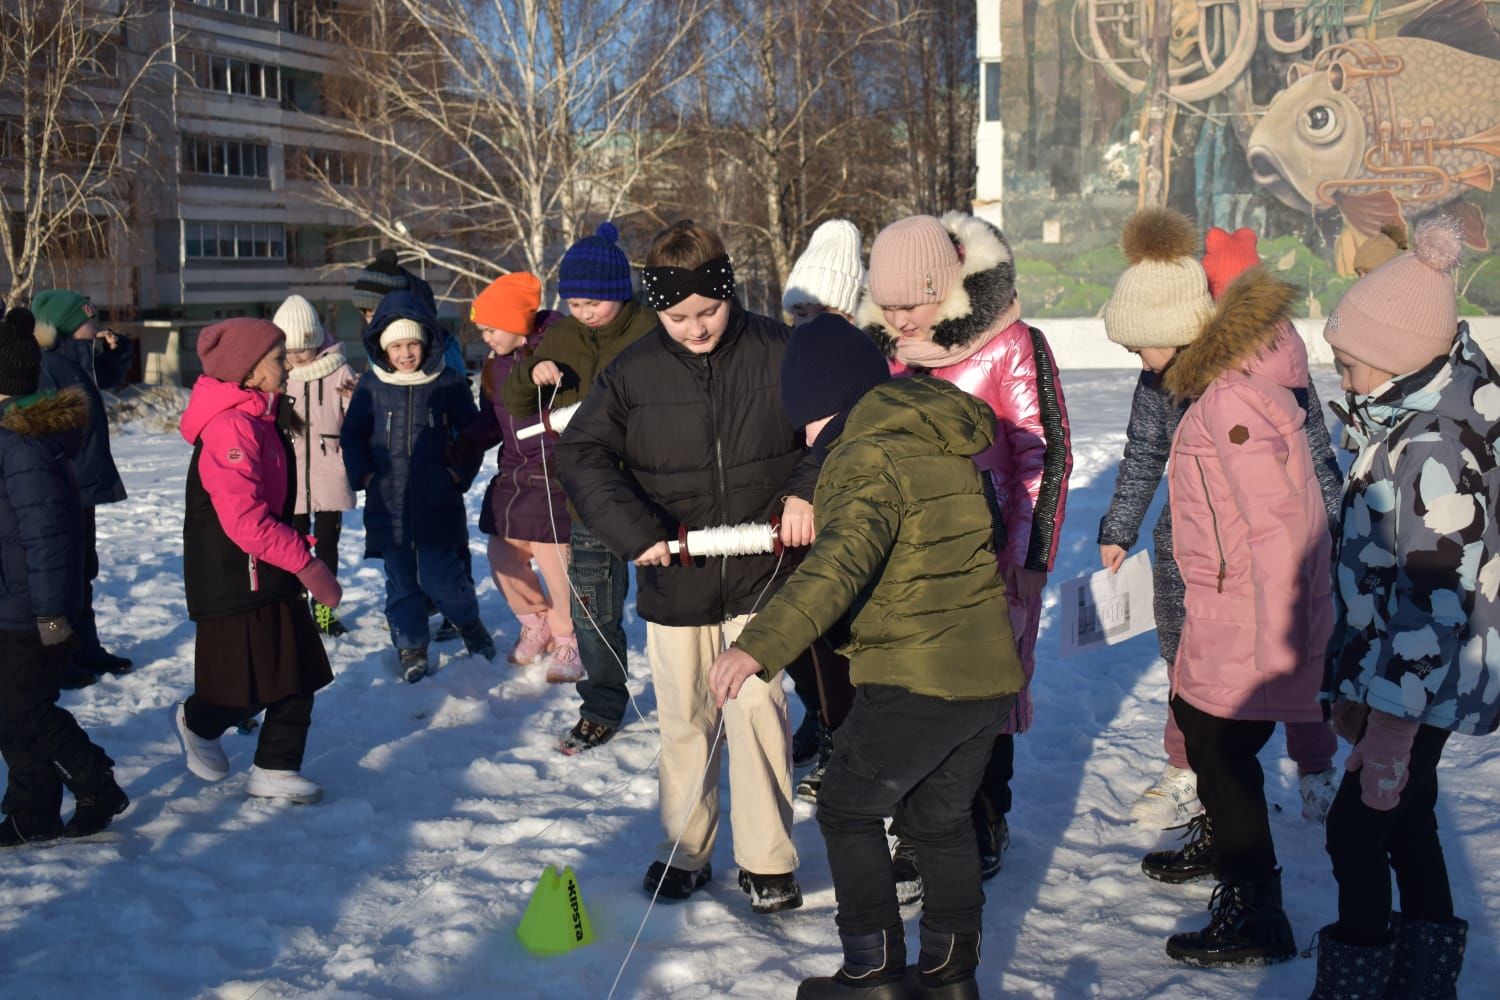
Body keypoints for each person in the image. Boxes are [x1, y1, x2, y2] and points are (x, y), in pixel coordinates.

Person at [708, 315, 1024, 999]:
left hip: (918, 677)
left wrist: (756, 647)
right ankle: (950, 979)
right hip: (986, 679)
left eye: (806, 426)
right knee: (937, 821)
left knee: (848, 809)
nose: (806, 442)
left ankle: (872, 974)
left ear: (827, 407)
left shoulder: (864, 455)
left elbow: (838, 564)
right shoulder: (936, 440)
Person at [554, 219, 817, 914]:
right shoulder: (634, 371)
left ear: (730, 292)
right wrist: (632, 529)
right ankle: (685, 846)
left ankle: (767, 860)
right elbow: (580, 454)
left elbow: (836, 429)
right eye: (678, 316)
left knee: (759, 709)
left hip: (765, 572)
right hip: (676, 576)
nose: (695, 328)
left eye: (708, 311)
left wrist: (805, 490)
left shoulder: (779, 350)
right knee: (686, 716)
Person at [1119, 234, 1331, 966]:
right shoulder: (1219, 393)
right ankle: (1231, 856)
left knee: (1221, 746)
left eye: (1140, 347)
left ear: (1177, 338)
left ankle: (1256, 912)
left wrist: (1281, 639)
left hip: (1247, 613)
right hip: (1226, 605)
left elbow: (1280, 525)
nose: (1135, 361)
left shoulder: (1228, 404)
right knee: (1207, 735)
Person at [859, 211, 1071, 895]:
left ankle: (983, 817)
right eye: (888, 308)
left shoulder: (1012, 344)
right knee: (910, 687)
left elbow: (1043, 452)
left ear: (946, 287)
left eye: (913, 304)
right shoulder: (883, 354)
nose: (902, 320)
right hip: (905, 558)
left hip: (990, 556)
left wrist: (1029, 556)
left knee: (984, 692)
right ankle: (916, 827)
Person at [1310, 215, 1488, 998]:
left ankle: (1360, 982)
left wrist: (1388, 726)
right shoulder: (1405, 421)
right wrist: (1355, 683)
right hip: (1400, 680)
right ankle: (1424, 984)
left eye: (1349, 366)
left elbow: (1428, 604)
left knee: (1357, 830)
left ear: (1394, 363)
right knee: (1407, 820)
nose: (1341, 381)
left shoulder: (1430, 452)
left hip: (1417, 684)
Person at [500, 221, 657, 753]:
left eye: (594, 303)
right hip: (590, 494)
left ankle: (700, 697)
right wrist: (535, 371)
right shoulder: (563, 334)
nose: (583, 312)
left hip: (656, 491)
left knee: (673, 605)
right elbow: (519, 399)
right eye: (573, 302)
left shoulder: (650, 331)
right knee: (593, 607)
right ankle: (602, 704)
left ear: (619, 293)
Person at [176, 318, 340, 804]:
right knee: (242, 689)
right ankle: (197, 719)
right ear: (248, 371)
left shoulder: (260, 417)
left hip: (265, 569)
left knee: (299, 672)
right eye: (277, 357)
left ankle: (275, 768)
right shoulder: (230, 427)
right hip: (231, 578)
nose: (287, 364)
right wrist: (308, 565)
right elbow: (244, 521)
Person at [0, 306, 129, 846]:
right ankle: (32, 811)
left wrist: (54, 612)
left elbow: (49, 535)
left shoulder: (22, 445)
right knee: (11, 713)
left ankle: (96, 781)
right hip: (12, 600)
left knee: (22, 711)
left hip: (30, 607)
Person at [341, 291, 490, 683]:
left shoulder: (447, 382)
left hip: (437, 500)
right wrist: (366, 477)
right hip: (387, 506)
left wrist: (459, 474)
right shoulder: (372, 386)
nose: (406, 354)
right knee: (402, 581)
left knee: (443, 578)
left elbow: (472, 434)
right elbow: (353, 437)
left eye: (412, 344)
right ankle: (410, 646)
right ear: (382, 347)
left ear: (425, 343)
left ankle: (469, 624)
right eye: (396, 346)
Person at [450, 273, 581, 681]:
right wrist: (467, 442)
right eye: (482, 330)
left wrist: (550, 368)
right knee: (503, 556)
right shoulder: (497, 364)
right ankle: (534, 620)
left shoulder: (558, 346)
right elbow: (493, 417)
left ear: (515, 322)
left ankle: (568, 639)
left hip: (553, 476)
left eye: (491, 329)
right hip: (514, 477)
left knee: (556, 566)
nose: (486, 337)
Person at [777, 219, 864, 799]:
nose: (809, 329)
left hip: (848, 504)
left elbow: (848, 425)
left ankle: (844, 737)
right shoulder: (796, 356)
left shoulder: (860, 356)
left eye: (821, 313)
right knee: (798, 625)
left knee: (838, 630)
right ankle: (821, 715)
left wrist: (806, 485)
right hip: (801, 507)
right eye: (800, 316)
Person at [30, 288, 134, 685]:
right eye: (88, 319)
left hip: (80, 487)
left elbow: (99, 384)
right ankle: (59, 658)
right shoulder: (47, 367)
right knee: (62, 576)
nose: (96, 325)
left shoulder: (74, 362)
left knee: (81, 571)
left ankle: (85, 649)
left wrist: (117, 353)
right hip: (58, 488)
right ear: (69, 326)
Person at [274, 295, 357, 638]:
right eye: (288, 351)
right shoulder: (278, 375)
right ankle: (295, 603)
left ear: (317, 341)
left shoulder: (339, 370)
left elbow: (357, 416)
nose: (295, 358)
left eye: (303, 349)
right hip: (289, 475)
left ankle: (324, 609)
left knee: (327, 546)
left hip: (330, 475)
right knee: (292, 546)